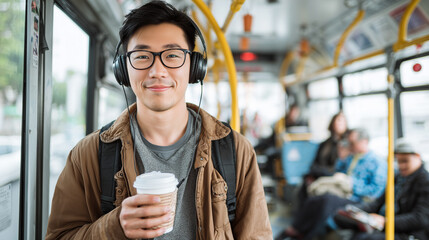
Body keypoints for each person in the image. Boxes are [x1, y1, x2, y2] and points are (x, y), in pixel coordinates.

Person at [46, 1, 272, 239]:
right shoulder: (89, 155)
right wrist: (114, 227)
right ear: (123, 68)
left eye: (173, 55)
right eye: (142, 56)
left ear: (194, 67)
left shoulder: (236, 152)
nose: (157, 71)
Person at [275, 128, 387, 240]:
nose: (350, 146)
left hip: (358, 199)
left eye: (352, 143)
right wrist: (341, 156)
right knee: (314, 199)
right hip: (343, 193)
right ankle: (295, 229)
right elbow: (338, 172)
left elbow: (375, 191)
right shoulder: (351, 157)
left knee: (327, 202)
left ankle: (306, 235)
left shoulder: (377, 163)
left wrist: (352, 184)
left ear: (364, 141)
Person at [334, 139, 429, 240]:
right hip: (383, 222)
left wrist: (386, 221)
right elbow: (378, 203)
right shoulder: (398, 177)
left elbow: (420, 218)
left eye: (405, 161)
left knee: (367, 238)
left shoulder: (425, 182)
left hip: (408, 232)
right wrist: (356, 211)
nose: (401, 166)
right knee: (339, 216)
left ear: (417, 157)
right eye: (398, 161)